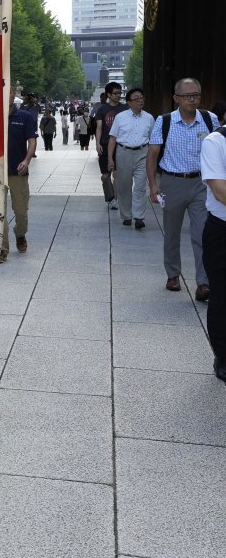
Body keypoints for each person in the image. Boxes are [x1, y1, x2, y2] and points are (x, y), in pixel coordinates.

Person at [147, 77, 219, 300]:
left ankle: (204, 282)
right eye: (188, 96)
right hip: (172, 182)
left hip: (202, 184)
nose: (193, 99)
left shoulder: (210, 119)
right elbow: (152, 154)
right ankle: (173, 274)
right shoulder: (165, 121)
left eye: (196, 95)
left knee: (202, 234)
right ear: (176, 98)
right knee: (172, 233)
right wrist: (153, 185)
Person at [106, 87, 154, 229]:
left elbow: (153, 139)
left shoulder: (149, 118)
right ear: (129, 102)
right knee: (124, 186)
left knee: (140, 186)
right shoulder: (121, 117)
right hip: (124, 152)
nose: (140, 101)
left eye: (142, 98)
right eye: (136, 98)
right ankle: (126, 215)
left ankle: (139, 216)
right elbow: (113, 138)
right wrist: (110, 158)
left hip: (142, 153)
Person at [200, 122, 226, 382]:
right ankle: (223, 355)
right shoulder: (216, 142)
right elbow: (220, 190)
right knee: (222, 294)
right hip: (222, 230)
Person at [0, 98, 38, 263]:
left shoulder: (24, 117)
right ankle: (1, 249)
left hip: (18, 171)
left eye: (9, 92)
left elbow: (32, 140)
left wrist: (27, 160)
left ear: (13, 96)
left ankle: (20, 234)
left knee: (21, 212)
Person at [93, 83, 125, 210]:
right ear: (109, 95)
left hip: (120, 145)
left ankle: (114, 200)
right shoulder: (102, 110)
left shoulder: (125, 108)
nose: (118, 95)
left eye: (119, 93)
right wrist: (97, 143)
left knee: (116, 174)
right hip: (105, 145)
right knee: (106, 175)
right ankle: (109, 194)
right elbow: (99, 127)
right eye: (115, 93)